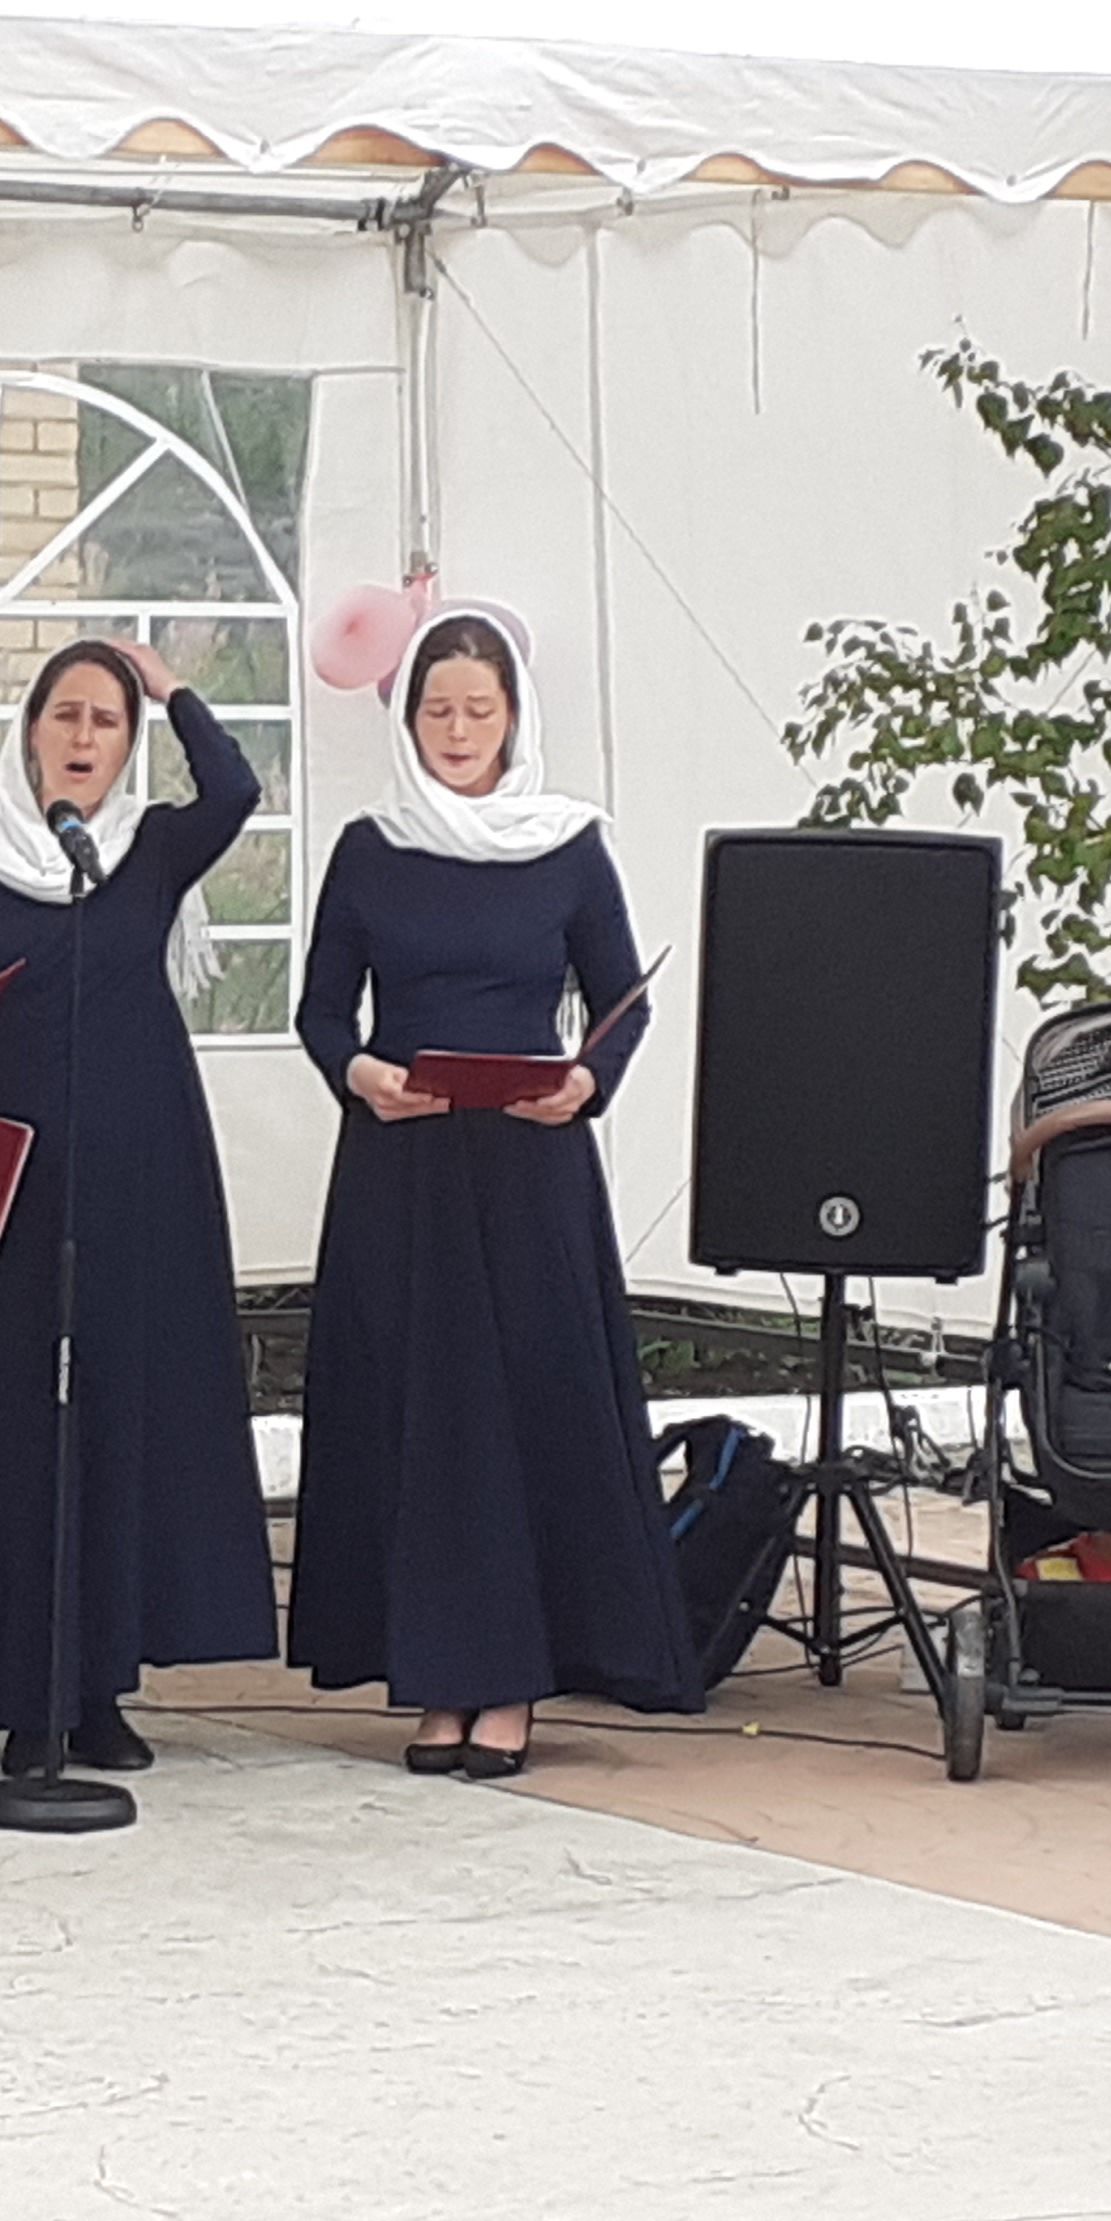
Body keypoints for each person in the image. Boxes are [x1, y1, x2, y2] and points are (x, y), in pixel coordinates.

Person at [281, 605, 697, 1779]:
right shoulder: (371, 847)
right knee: (418, 1413)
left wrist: (586, 1083)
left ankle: (512, 1683)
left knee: (521, 1414)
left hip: (527, 1164)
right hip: (403, 1167)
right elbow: (322, 1010)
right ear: (407, 720)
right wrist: (360, 1074)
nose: (458, 731)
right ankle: (435, 1679)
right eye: (437, 710)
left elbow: (622, 1002)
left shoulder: (568, 845)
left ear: (515, 716)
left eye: (479, 709)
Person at [0, 637, 275, 1775]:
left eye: (107, 720)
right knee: (11, 1428)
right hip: (8, 1174)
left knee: (113, 1419)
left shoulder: (148, 849)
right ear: (30, 732)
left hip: (143, 1176)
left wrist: (170, 686)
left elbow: (235, 790)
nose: (84, 738)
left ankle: (99, 1687)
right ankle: (21, 1693)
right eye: (66, 715)